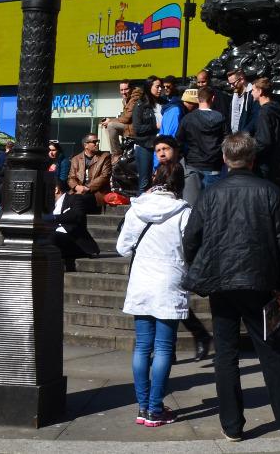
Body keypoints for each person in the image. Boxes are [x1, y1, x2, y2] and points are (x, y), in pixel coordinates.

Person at [181, 133, 280, 442]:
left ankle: (233, 425)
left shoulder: (211, 194)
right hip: (260, 283)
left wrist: (201, 267)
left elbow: (190, 239)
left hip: (222, 283)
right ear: (253, 158)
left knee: (226, 355)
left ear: (224, 159)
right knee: (271, 352)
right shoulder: (270, 191)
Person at [118, 160, 193, 427]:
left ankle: (142, 407)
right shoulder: (184, 212)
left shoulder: (137, 208)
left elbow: (122, 248)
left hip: (142, 281)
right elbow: (191, 248)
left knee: (142, 347)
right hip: (169, 281)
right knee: (163, 348)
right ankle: (155, 408)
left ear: (154, 178)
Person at [178, 87, 227, 206]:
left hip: (193, 165)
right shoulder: (220, 117)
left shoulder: (188, 118)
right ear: (213, 98)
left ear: (198, 99)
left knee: (192, 206)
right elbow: (227, 139)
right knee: (213, 205)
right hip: (214, 165)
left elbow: (179, 141)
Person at [252, 78, 280, 184]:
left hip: (264, 162)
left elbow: (264, 140)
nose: (251, 93)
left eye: (253, 90)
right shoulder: (275, 108)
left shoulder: (264, 112)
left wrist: (250, 154)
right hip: (275, 158)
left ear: (260, 91)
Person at [66, 133, 112, 214]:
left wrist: (87, 188)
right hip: (79, 191)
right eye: (94, 142)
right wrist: (77, 187)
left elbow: (104, 176)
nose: (97, 144)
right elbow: (71, 177)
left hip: (96, 192)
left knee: (80, 200)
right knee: (66, 199)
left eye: (98, 141)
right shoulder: (76, 159)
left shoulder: (105, 157)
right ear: (86, 145)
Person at [101, 80, 141, 156]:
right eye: (121, 90)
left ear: (131, 89)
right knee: (107, 126)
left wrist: (110, 120)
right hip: (129, 127)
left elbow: (127, 118)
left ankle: (116, 154)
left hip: (135, 129)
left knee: (111, 125)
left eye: (126, 89)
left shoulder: (135, 98)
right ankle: (115, 152)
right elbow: (125, 116)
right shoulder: (127, 99)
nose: (123, 92)